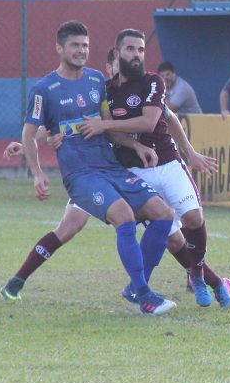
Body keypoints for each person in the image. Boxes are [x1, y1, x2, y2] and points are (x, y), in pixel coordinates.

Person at [1, 44, 230, 307]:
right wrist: (32, 143)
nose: (111, 71)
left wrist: (188, 152)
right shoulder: (100, 88)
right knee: (69, 228)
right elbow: (64, 124)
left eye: (116, 66)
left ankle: (203, 280)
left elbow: (168, 118)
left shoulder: (134, 86)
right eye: (111, 66)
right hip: (99, 172)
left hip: (120, 170)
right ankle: (18, 280)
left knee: (175, 229)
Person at [19, 20, 176, 315]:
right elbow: (29, 134)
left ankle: (135, 287)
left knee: (164, 214)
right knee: (123, 215)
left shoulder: (95, 82)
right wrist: (38, 173)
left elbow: (106, 127)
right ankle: (143, 294)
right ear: (60, 48)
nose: (81, 51)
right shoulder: (43, 89)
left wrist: (135, 145)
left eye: (85, 45)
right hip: (80, 174)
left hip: (111, 167)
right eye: (75, 45)